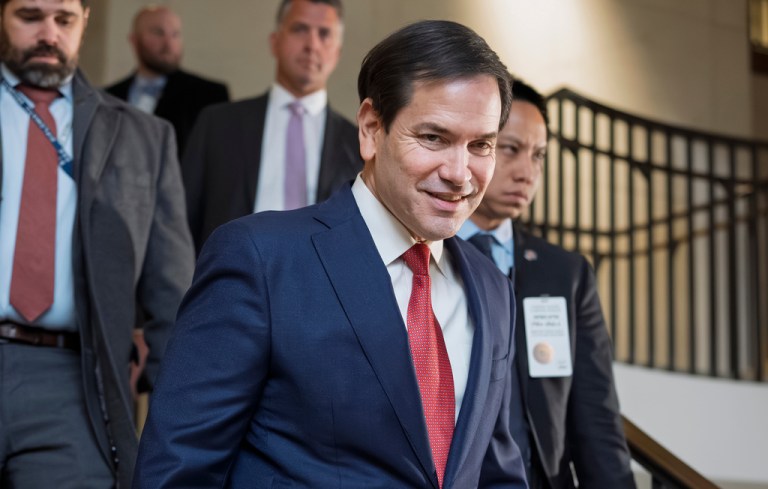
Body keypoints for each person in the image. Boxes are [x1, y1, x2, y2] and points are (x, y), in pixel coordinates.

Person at [134, 19, 528, 489]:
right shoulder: (260, 260)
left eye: (480, 145)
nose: (460, 172)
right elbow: (179, 470)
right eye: (434, 138)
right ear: (370, 129)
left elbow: (496, 473)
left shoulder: (492, 288)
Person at [0, 0, 195, 487]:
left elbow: (172, 291)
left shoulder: (144, 138)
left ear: (85, 21)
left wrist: (172, 410)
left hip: (75, 383)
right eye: (29, 17)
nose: (48, 33)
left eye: (63, 20)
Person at [459, 79, 636, 488]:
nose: (527, 171)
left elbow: (595, 415)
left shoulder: (566, 273)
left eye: (538, 156)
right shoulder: (428, 254)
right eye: (511, 149)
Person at [182, 0, 362, 254]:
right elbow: (179, 224)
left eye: (324, 33)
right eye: (300, 29)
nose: (312, 45)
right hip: (228, 282)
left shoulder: (360, 144)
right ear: (274, 41)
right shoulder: (217, 124)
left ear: (338, 52)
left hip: (319, 288)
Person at [105, 5, 230, 156]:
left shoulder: (208, 95)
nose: (168, 43)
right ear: (134, 40)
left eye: (175, 34)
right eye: (158, 33)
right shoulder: (107, 97)